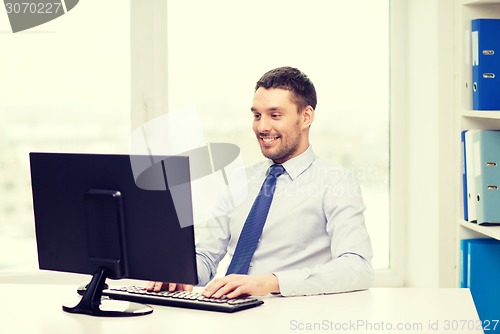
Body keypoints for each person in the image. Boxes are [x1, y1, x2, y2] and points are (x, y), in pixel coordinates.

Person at [147, 66, 374, 298]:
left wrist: (270, 283)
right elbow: (206, 256)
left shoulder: (335, 182)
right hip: (227, 313)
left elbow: (357, 267)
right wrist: (178, 274)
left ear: (305, 117)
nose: (262, 127)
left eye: (275, 115)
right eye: (257, 115)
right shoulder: (240, 180)